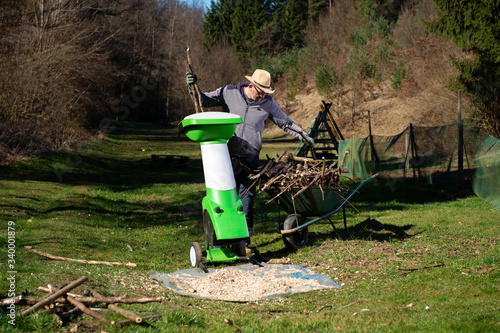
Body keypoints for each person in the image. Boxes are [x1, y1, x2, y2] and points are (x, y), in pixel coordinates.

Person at [186, 69, 314, 244]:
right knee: (223, 202)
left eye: (265, 93)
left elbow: (286, 123)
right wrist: (192, 86)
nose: (262, 96)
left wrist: (304, 135)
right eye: (260, 92)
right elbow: (203, 100)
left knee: (245, 202)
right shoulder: (228, 92)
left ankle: (243, 244)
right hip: (226, 158)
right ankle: (221, 240)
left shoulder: (268, 103)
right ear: (251, 85)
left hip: (250, 159)